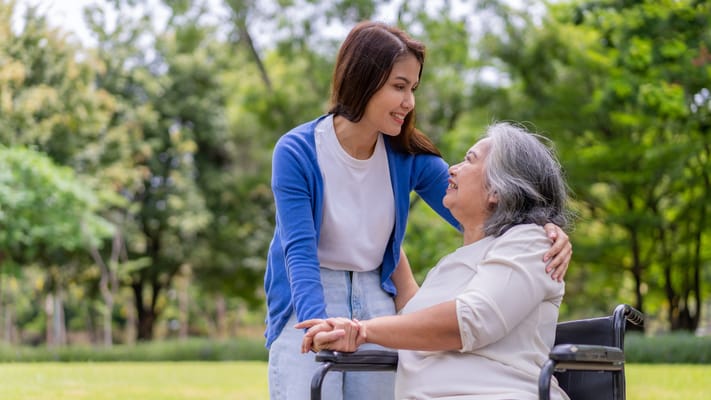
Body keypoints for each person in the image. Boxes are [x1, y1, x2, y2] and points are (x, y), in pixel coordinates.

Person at [265, 20, 573, 400]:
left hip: (376, 289)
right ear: (363, 80)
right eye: (399, 87)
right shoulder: (298, 151)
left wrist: (547, 231)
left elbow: (490, 205)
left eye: (412, 88)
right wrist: (316, 323)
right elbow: (299, 248)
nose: (409, 102)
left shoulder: (406, 155)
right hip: (310, 287)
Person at [297, 122, 573, 400]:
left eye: (469, 160)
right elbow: (412, 318)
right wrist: (371, 224)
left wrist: (363, 330)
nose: (452, 169)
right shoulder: (452, 263)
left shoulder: (530, 243)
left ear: (497, 191)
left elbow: (469, 321)